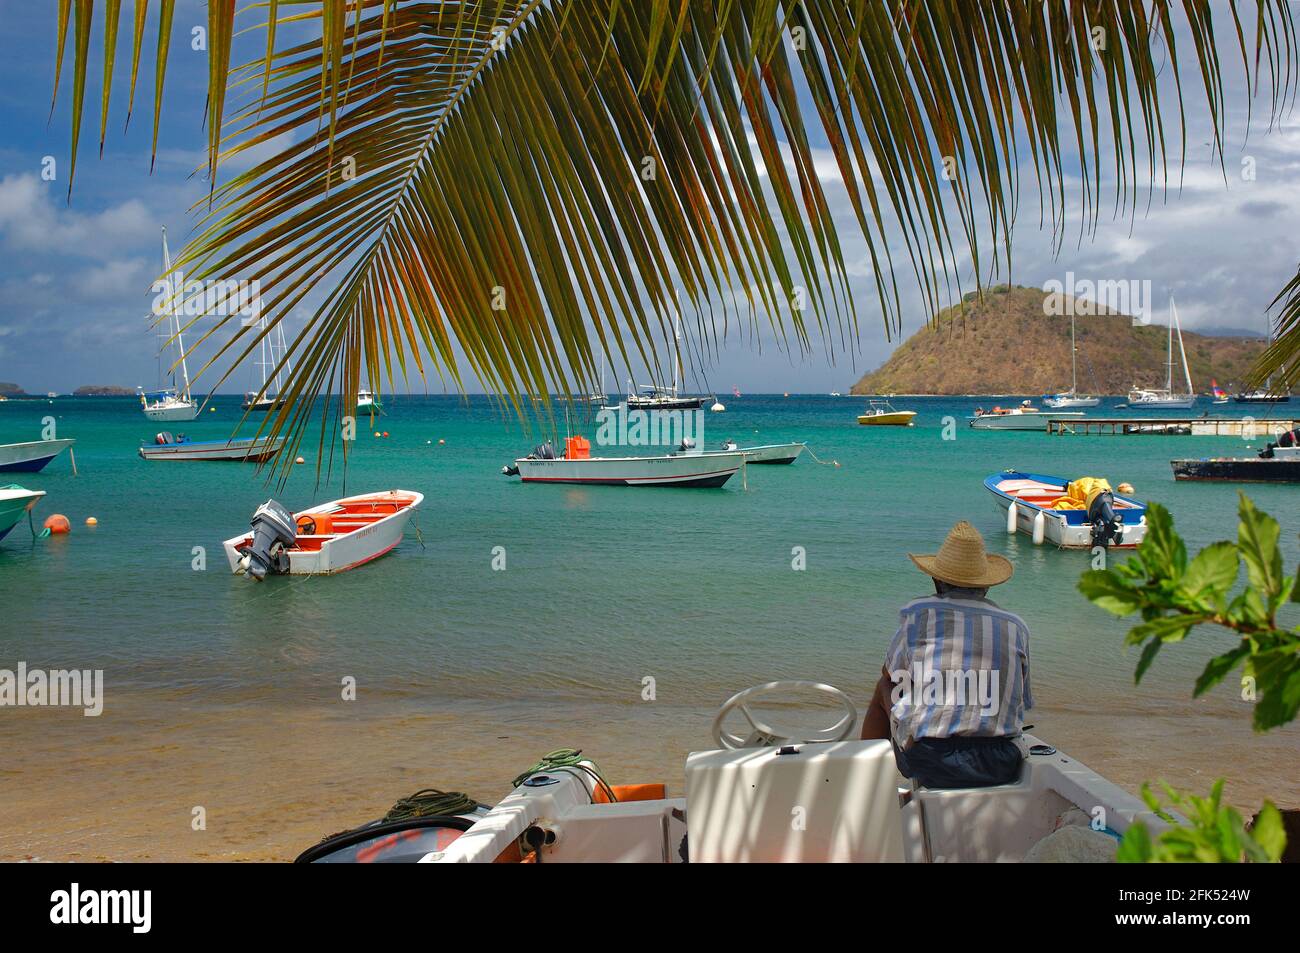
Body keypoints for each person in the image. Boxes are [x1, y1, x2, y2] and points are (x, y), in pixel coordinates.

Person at [861, 520, 1032, 788]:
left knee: (885, 686)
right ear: (986, 585)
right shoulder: (1015, 626)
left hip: (932, 762)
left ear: (936, 579)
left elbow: (890, 673)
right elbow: (1021, 697)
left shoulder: (918, 615)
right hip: (1001, 763)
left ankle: (867, 783)